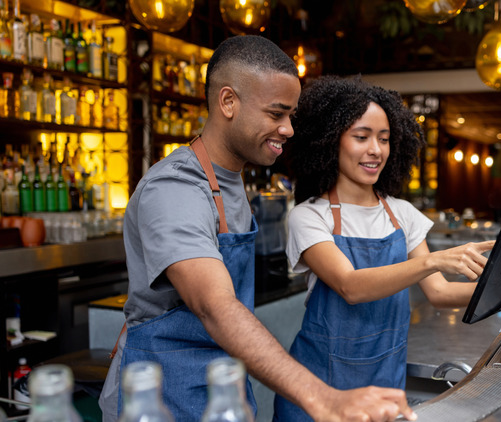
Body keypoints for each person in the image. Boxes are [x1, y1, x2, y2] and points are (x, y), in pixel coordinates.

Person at [99, 36, 416, 422]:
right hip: (159, 397)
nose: (288, 129)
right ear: (228, 102)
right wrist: (322, 397)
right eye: (276, 114)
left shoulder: (231, 181)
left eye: (291, 116)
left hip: (222, 386)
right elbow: (214, 306)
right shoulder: (175, 188)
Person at [273, 76, 495, 420]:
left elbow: (439, 292)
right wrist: (432, 260)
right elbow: (351, 286)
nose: (375, 150)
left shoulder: (402, 214)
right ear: (331, 142)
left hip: (386, 382)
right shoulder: (309, 216)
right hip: (321, 389)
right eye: (361, 137)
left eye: (384, 139)